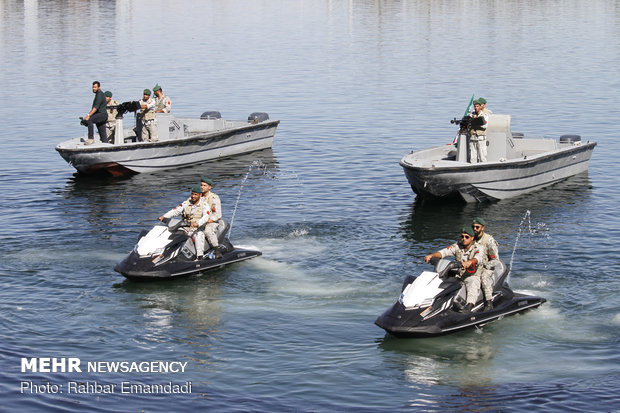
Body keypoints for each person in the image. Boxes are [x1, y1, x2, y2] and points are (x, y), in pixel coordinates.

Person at [424, 226, 485, 313]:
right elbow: (444, 252)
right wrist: (432, 255)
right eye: (462, 236)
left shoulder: (478, 248)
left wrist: (470, 262)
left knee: (472, 282)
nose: (464, 239)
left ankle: (469, 306)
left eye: (466, 237)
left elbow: (478, 258)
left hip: (472, 274)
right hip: (458, 274)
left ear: (472, 238)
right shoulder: (457, 246)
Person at [158, 185, 209, 259]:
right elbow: (175, 211)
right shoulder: (186, 203)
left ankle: (199, 257)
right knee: (170, 234)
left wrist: (197, 223)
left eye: (195, 194)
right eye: (192, 194)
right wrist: (164, 217)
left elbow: (205, 217)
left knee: (198, 236)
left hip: (196, 228)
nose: (193, 196)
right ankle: (165, 254)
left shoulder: (204, 205)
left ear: (200, 195)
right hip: (184, 227)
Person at [472, 217, 500, 310]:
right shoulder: (470, 238)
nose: (475, 229)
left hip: (486, 266)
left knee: (484, 278)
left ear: (482, 228)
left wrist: (485, 266)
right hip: (473, 266)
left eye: (477, 227)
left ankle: (489, 303)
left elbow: (495, 259)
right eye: (473, 227)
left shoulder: (488, 240)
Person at [200, 176, 223, 259]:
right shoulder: (197, 196)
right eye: (201, 185)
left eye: (204, 185)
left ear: (209, 187)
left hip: (211, 221)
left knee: (208, 231)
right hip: (199, 221)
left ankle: (217, 250)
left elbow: (218, 214)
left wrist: (207, 220)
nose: (202, 187)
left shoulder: (214, 198)